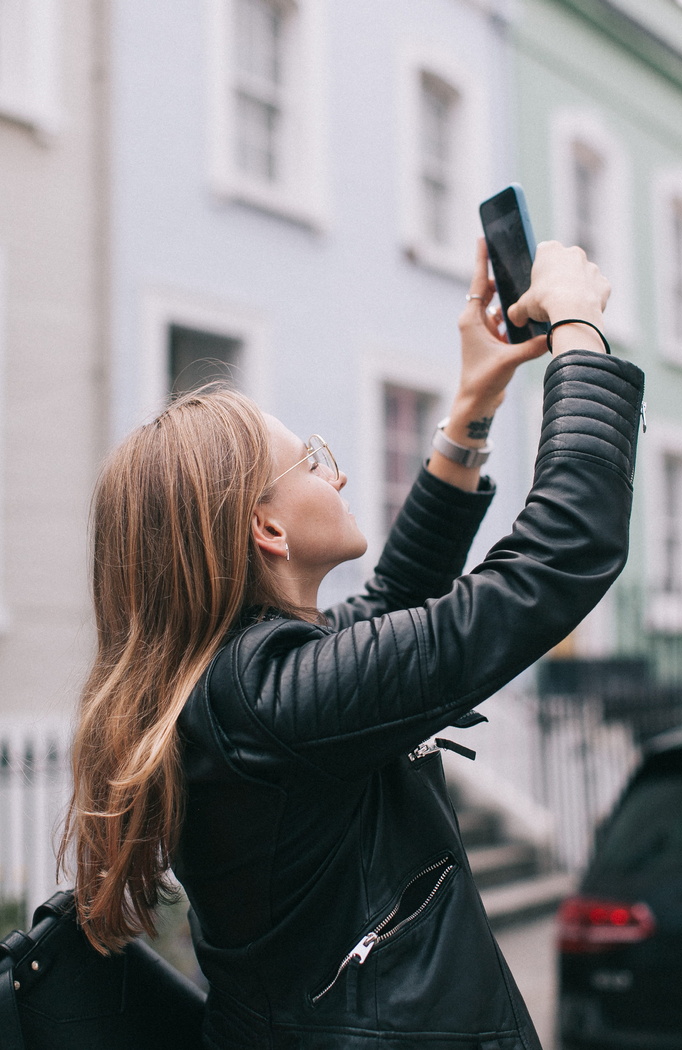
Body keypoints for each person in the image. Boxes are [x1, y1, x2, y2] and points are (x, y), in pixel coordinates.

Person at [60, 239, 645, 1050]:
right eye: (312, 462)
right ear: (267, 527)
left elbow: (391, 604)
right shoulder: (273, 699)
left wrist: (476, 397)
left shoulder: (245, 687)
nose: (333, 477)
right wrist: (580, 329)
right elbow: (557, 558)